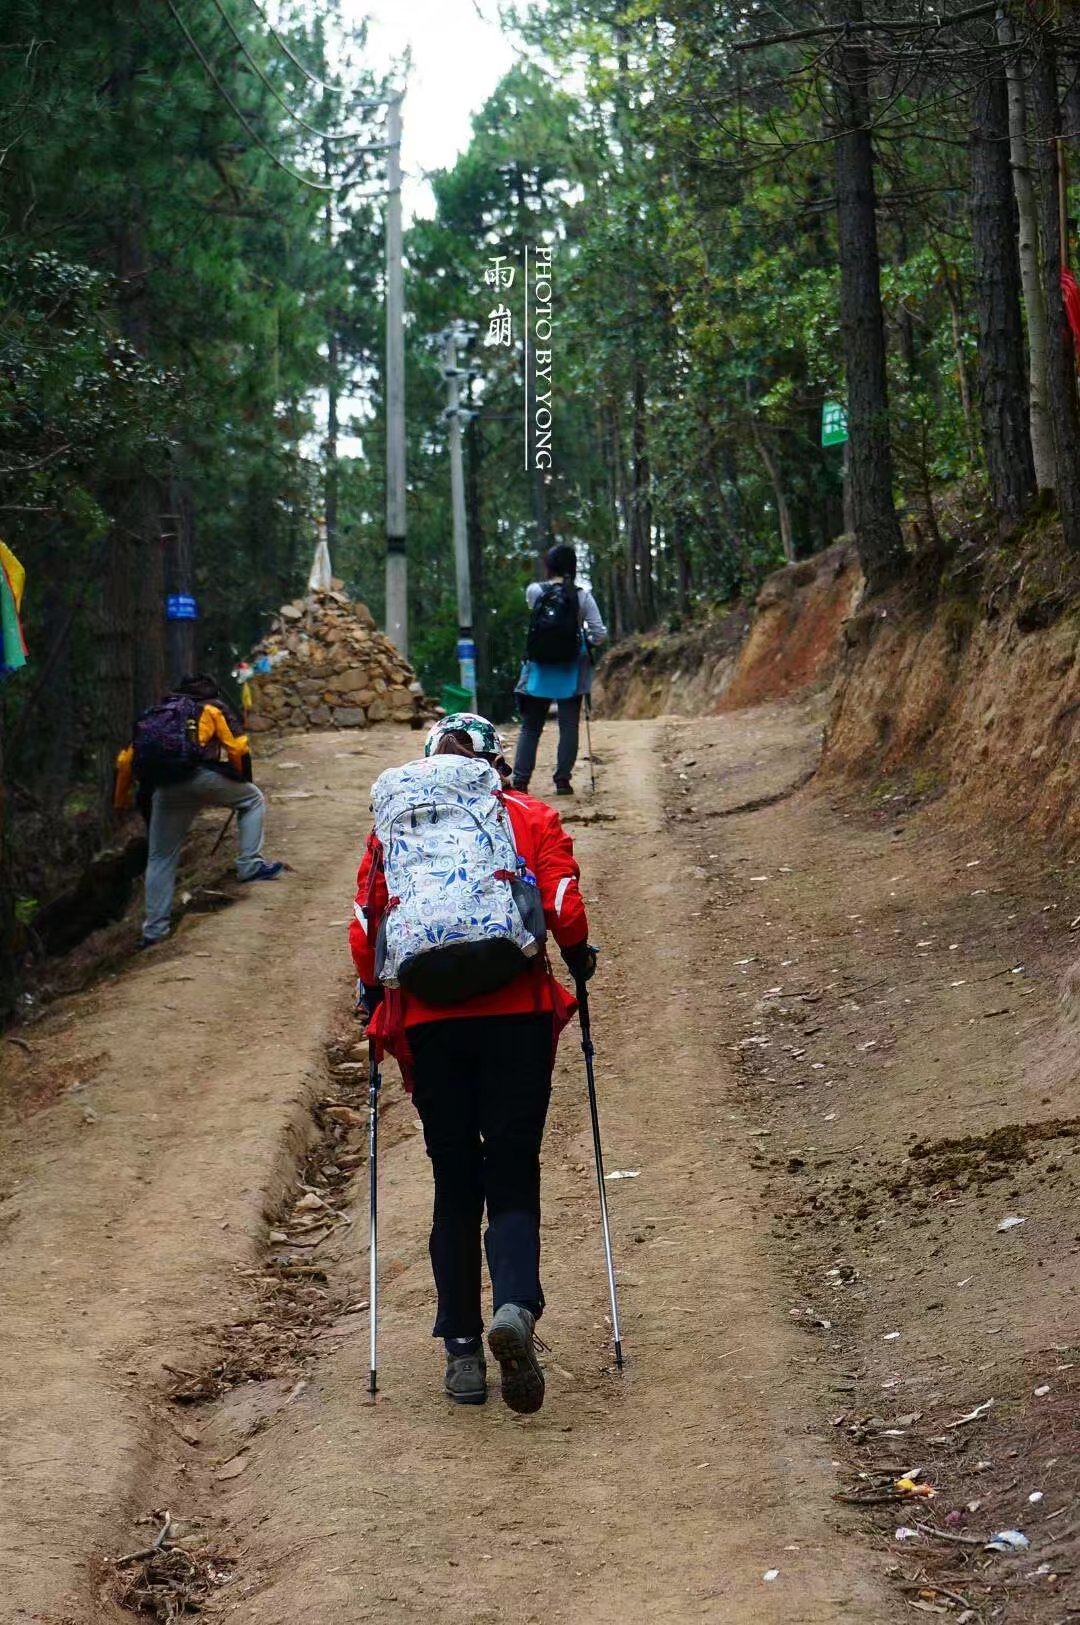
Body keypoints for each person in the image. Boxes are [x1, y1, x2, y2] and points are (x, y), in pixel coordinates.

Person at [349, 711, 598, 1413]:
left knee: (454, 1177)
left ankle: (461, 1351)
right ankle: (514, 1303)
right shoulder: (524, 812)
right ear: (496, 763)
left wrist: (371, 995)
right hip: (515, 1013)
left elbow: (367, 925)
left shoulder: (396, 827)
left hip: (429, 1025)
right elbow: (560, 901)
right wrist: (578, 957)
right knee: (513, 1164)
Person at [114, 673, 283, 948]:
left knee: (160, 857)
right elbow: (238, 747)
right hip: (202, 777)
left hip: (166, 788)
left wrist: (120, 803)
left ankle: (154, 931)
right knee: (251, 800)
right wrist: (242, 780)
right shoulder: (212, 708)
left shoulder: (158, 714)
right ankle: (250, 864)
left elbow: (124, 762)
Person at [512, 544, 607, 796]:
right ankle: (562, 781)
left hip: (539, 666)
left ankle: (520, 782)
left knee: (531, 726)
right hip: (571, 668)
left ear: (548, 566)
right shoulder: (582, 596)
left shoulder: (534, 591)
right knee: (568, 725)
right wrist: (582, 636)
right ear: (573, 568)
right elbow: (599, 634)